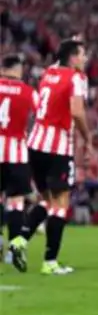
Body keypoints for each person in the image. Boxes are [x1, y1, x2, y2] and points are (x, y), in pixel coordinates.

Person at [20, 39, 92, 275]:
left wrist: (72, 41)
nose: (85, 59)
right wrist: (87, 138)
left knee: (47, 201)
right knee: (61, 203)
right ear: (72, 57)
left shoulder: (48, 73)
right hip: (58, 147)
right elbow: (77, 112)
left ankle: (19, 240)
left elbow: (59, 60)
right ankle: (50, 262)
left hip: (35, 144)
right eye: (82, 54)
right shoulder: (75, 78)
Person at [0, 54, 36, 273]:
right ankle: (14, 248)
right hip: (16, 152)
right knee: (16, 201)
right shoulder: (28, 91)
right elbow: (41, 115)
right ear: (17, 69)